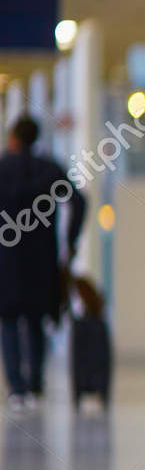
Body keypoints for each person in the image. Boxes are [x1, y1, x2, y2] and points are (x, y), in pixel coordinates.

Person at [0, 115, 85, 409]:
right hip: (41, 257)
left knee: (9, 322)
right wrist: (70, 242)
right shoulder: (49, 170)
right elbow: (79, 201)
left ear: (13, 138)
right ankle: (35, 385)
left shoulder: (3, 168)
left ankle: (17, 388)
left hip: (6, 259)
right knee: (36, 321)